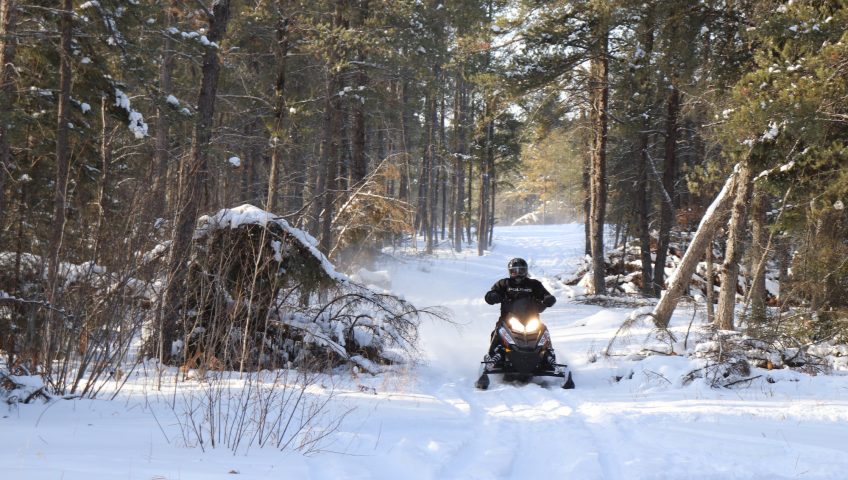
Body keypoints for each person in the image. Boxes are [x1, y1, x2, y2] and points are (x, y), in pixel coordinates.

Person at [483, 258, 557, 368]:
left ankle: (548, 357)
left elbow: (544, 294)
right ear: (510, 272)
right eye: (514, 271)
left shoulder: (534, 284)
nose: (517, 274)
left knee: (544, 331)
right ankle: (493, 357)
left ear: (526, 271)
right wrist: (492, 296)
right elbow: (491, 293)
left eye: (521, 271)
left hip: (531, 318)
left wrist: (548, 298)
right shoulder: (504, 283)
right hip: (508, 318)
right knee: (498, 330)